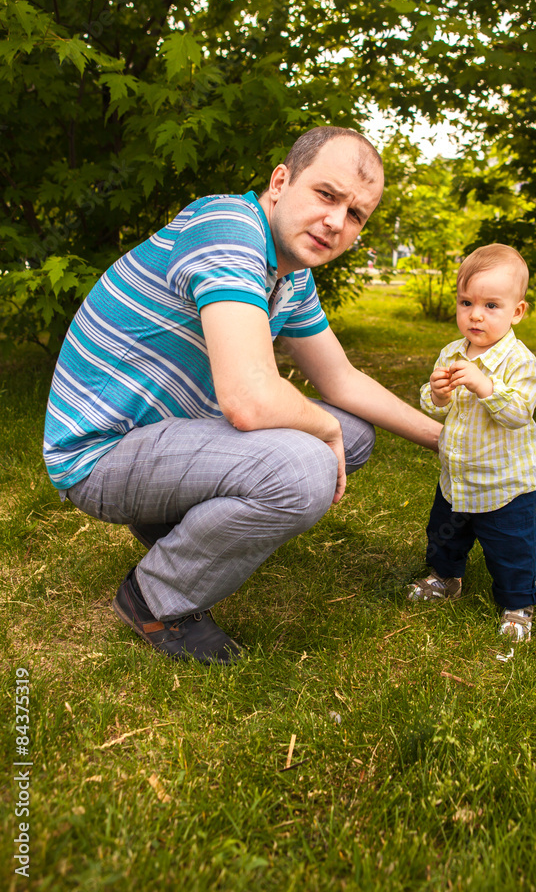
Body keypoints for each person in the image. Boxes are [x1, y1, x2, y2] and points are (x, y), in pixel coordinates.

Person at [43, 126, 442, 665]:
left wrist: (444, 439)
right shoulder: (228, 230)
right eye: (326, 195)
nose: (335, 222)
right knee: (306, 467)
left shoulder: (291, 273)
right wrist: (318, 430)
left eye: (355, 215)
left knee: (354, 435)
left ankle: (173, 525)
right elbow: (249, 399)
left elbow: (340, 380)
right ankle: (157, 596)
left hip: (165, 436)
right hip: (99, 454)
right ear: (281, 181)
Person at [409, 243, 536, 641]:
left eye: (491, 305)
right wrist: (434, 394)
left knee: (511, 548)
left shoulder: (521, 362)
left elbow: (519, 414)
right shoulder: (452, 352)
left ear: (517, 311)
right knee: (443, 534)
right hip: (457, 475)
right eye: (466, 302)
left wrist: (486, 387)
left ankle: (518, 603)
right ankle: (445, 578)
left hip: (504, 483)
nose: (475, 314)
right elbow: (435, 407)